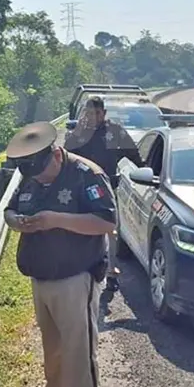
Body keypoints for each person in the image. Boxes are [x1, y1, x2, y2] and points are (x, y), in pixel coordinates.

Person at [4, 121, 116, 387]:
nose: (39, 179)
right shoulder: (31, 175)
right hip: (41, 277)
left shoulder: (86, 174)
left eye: (43, 172)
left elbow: (107, 221)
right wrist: (17, 221)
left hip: (75, 277)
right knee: (52, 350)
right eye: (33, 175)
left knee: (79, 354)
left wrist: (55, 219)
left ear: (56, 154)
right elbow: (10, 209)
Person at [65, 96, 141, 290]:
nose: (93, 117)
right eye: (89, 113)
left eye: (97, 113)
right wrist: (77, 133)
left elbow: (135, 156)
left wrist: (145, 172)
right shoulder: (79, 132)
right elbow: (65, 155)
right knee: (80, 228)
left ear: (104, 113)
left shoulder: (115, 132)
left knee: (111, 230)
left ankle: (111, 273)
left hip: (107, 188)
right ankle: (81, 268)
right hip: (80, 189)